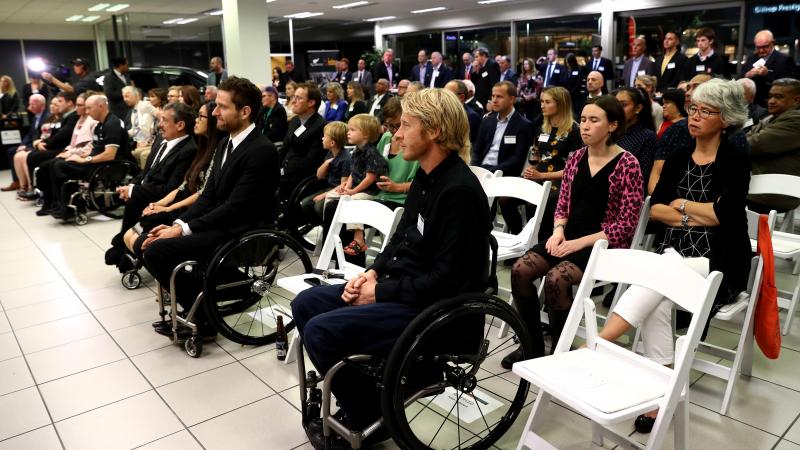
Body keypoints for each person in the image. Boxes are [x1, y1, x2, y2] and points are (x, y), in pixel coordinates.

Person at [291, 88, 491, 448]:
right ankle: (365, 393)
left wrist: (378, 292)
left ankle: (368, 410)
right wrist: (372, 273)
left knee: (321, 332)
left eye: (405, 125)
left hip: (437, 310)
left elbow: (447, 279)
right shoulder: (426, 178)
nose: (396, 135)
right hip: (405, 287)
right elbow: (400, 239)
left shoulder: (459, 191)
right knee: (305, 304)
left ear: (433, 131)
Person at [595, 79, 750, 434]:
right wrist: (693, 212)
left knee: (659, 278)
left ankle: (601, 343)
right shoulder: (680, 156)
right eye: (693, 108)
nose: (694, 116)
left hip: (719, 261)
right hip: (674, 252)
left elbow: (723, 216)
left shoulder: (736, 159)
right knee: (662, 291)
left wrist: (679, 207)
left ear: (724, 119)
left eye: (705, 111)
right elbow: (656, 210)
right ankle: (660, 391)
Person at [501, 94, 644, 368]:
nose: (585, 127)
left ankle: (560, 352)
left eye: (594, 120)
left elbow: (625, 224)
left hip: (603, 244)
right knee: (520, 271)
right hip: (568, 235)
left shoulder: (628, 165)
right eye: (584, 120)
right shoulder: (577, 157)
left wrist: (577, 243)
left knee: (556, 280)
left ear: (612, 126)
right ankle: (530, 344)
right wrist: (557, 232)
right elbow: (563, 204)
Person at [142, 76, 278, 340]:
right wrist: (178, 225)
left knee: (157, 252)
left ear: (245, 111)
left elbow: (236, 207)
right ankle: (204, 305)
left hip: (244, 230)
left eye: (222, 107)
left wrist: (185, 231)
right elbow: (208, 196)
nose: (215, 112)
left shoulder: (262, 150)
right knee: (156, 240)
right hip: (224, 223)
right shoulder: (225, 144)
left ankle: (204, 316)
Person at [122, 101, 223, 263]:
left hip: (196, 210)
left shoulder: (211, 149)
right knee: (138, 222)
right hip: (187, 203)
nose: (197, 120)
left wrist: (167, 208)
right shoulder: (203, 148)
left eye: (201, 117)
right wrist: (157, 204)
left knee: (143, 233)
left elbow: (202, 193)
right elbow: (183, 185)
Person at [106, 101, 198, 265]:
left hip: (164, 200)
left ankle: (125, 248)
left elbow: (171, 189)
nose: (159, 124)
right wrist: (132, 187)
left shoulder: (189, 150)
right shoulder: (160, 141)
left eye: (164, 120)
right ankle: (123, 244)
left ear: (180, 125)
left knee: (136, 199)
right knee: (133, 196)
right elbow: (145, 172)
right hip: (147, 192)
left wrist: (135, 191)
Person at [506, 86, 581, 240]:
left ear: (560, 104)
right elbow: (536, 155)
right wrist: (532, 170)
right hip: (538, 176)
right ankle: (518, 237)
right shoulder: (542, 127)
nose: (542, 105)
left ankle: (539, 242)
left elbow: (573, 170)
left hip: (560, 182)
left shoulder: (574, 131)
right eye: (541, 101)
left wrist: (541, 175)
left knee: (532, 203)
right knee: (505, 199)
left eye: (547, 102)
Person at [46, 94, 127, 220]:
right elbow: (95, 149)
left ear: (101, 106)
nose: (87, 112)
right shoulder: (100, 125)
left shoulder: (112, 124)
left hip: (112, 166)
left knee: (60, 166)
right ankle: (61, 204)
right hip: (97, 162)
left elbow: (110, 155)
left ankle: (74, 206)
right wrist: (74, 154)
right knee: (57, 161)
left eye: (89, 108)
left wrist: (85, 160)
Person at [322, 114, 387, 255]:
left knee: (352, 202)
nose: (348, 132)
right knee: (330, 197)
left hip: (369, 192)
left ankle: (358, 238)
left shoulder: (371, 152)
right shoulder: (357, 150)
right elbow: (353, 172)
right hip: (356, 189)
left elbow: (370, 178)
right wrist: (346, 186)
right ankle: (329, 233)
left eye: (352, 129)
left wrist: (353, 191)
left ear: (365, 134)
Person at [17, 93, 95, 201]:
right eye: (52, 103)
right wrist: (38, 143)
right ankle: (39, 193)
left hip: (76, 152)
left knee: (44, 161)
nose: (53, 106)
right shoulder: (75, 118)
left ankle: (51, 198)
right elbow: (71, 140)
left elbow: (65, 137)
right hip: (69, 149)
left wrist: (69, 152)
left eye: (58, 102)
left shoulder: (79, 118)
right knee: (29, 157)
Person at [747, 78, 800, 214]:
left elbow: (753, 145)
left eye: (779, 97)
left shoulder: (796, 120)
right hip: (755, 186)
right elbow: (748, 140)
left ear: (797, 100)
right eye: (770, 96)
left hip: (772, 193)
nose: (771, 101)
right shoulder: (771, 118)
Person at [470, 81, 533, 177]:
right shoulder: (487, 121)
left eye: (499, 97)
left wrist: (489, 172)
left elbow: (517, 159)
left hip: (503, 174)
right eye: (493, 96)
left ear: (512, 99)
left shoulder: (524, 125)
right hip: (481, 169)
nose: (494, 100)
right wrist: (475, 168)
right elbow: (476, 150)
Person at [279, 82, 326, 201]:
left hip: (301, 178)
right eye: (294, 97)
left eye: (298, 98)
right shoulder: (294, 121)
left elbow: (311, 161)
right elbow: (284, 149)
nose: (293, 101)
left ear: (311, 102)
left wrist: (284, 171)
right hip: (285, 172)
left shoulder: (320, 126)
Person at [299, 121, 351, 225]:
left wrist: (324, 195)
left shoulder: (345, 159)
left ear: (332, 143)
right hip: (329, 187)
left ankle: (328, 226)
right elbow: (319, 175)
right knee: (305, 203)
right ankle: (322, 225)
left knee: (319, 206)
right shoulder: (330, 153)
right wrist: (326, 163)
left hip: (338, 191)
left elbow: (344, 185)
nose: (322, 139)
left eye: (324, 136)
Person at [374, 98, 418, 210]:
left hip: (402, 201)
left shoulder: (417, 144)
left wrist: (397, 187)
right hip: (380, 197)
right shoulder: (386, 137)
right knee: (337, 209)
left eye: (398, 125)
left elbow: (424, 185)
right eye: (389, 125)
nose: (394, 131)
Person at [2, 93, 47, 192]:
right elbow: (29, 134)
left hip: (40, 144)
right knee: (11, 151)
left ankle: (29, 184)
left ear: (42, 105)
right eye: (29, 104)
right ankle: (17, 181)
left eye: (33, 105)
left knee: (21, 154)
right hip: (32, 143)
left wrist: (28, 146)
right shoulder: (36, 117)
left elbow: (42, 137)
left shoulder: (47, 116)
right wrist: (23, 145)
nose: (29, 107)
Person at [740, 30, 797, 107]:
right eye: (758, 47)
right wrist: (747, 75)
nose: (761, 50)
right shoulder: (751, 58)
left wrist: (767, 74)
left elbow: (789, 85)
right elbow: (739, 78)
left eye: (765, 46)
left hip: (773, 103)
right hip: (752, 103)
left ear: (772, 43)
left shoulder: (784, 59)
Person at [615, 86, 657, 182]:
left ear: (638, 108)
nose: (618, 110)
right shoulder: (610, 132)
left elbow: (642, 176)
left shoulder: (647, 137)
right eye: (616, 105)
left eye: (624, 105)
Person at [125, 86, 158, 169]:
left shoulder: (145, 105)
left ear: (137, 96)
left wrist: (147, 141)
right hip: (139, 140)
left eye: (127, 96)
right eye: (124, 97)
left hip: (148, 140)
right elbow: (135, 129)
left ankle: (143, 178)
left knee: (140, 154)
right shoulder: (134, 110)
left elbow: (159, 119)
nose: (125, 99)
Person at [104, 56, 131, 121]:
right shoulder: (109, 77)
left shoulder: (126, 75)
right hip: (118, 112)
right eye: (126, 65)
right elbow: (110, 94)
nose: (128, 67)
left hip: (128, 110)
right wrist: (126, 94)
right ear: (121, 65)